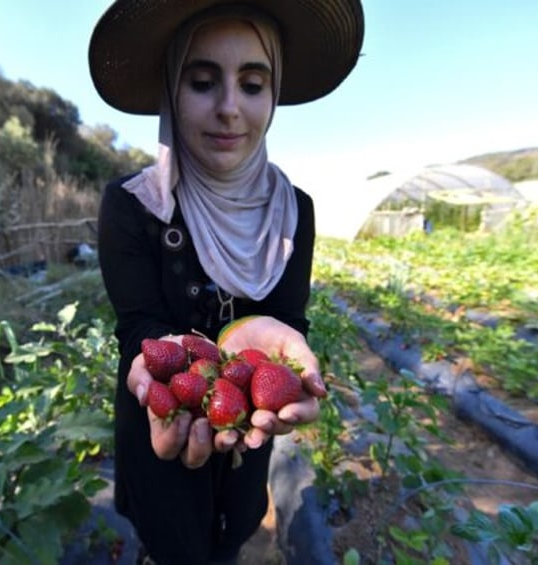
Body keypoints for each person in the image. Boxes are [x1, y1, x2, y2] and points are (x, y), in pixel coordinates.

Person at [89, 1, 364, 563]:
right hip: (162, 421)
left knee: (232, 531)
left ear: (274, 93)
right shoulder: (133, 205)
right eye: (203, 81)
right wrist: (171, 361)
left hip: (249, 432)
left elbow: (288, 323)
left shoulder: (294, 212)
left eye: (253, 83)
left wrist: (277, 340)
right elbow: (138, 325)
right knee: (172, 542)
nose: (230, 109)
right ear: (171, 88)